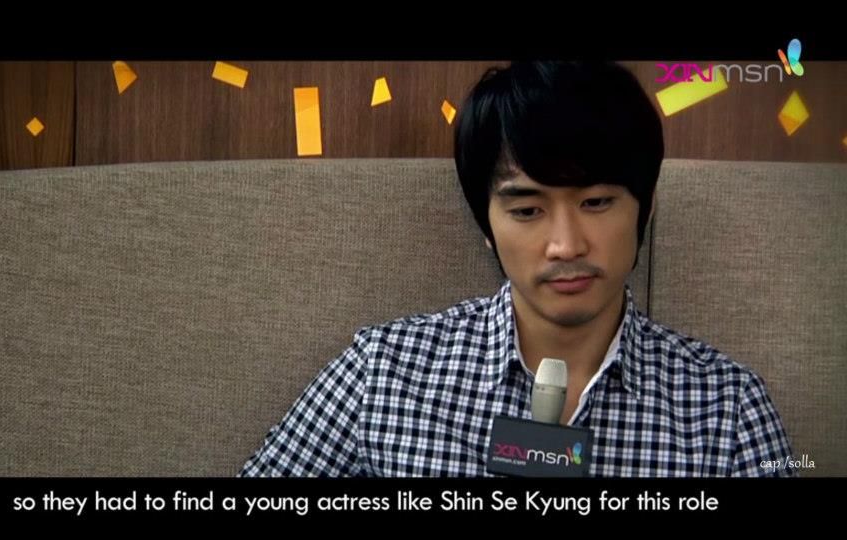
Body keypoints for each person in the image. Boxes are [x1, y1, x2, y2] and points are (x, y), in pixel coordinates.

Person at [239, 61, 795, 477]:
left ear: (644, 208)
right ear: (486, 223)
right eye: (527, 210)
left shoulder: (727, 407)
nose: (565, 245)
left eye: (596, 202)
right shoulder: (383, 373)